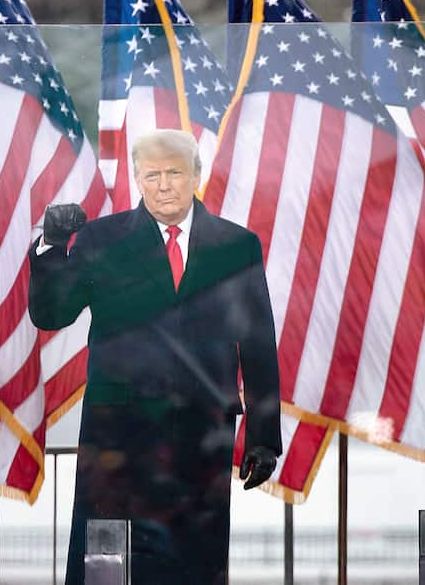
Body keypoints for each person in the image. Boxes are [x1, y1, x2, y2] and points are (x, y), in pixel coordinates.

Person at [28, 128, 282, 585]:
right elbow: (51, 314)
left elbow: (258, 344)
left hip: (202, 436)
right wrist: (52, 247)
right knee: (106, 563)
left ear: (196, 175)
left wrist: (263, 437)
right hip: (118, 438)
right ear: (137, 179)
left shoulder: (237, 246)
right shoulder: (101, 239)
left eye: (174, 173)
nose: (164, 185)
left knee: (195, 566)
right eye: (152, 175)